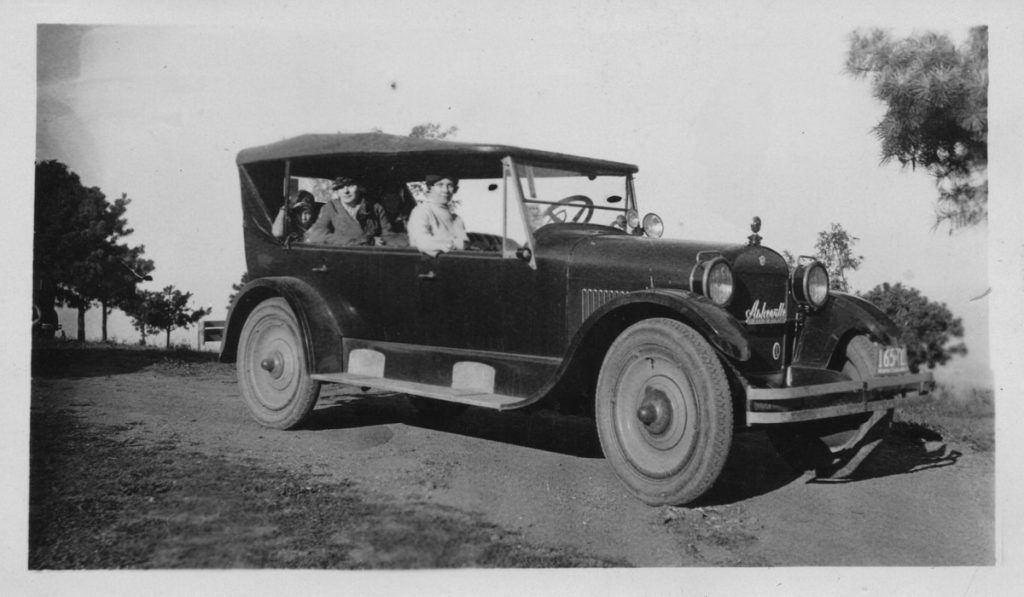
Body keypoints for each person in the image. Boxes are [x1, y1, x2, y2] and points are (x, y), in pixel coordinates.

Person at [306, 176, 395, 246]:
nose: (346, 191)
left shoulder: (375, 208)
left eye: (350, 185)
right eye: (341, 187)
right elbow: (317, 236)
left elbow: (388, 236)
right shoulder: (330, 208)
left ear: (360, 187)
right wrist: (362, 241)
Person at [407, 174, 468, 256]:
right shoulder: (422, 211)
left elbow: (465, 245)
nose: (445, 190)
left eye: (450, 185)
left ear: (455, 189)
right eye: (440, 185)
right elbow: (422, 242)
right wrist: (455, 245)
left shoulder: (456, 219)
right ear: (430, 188)